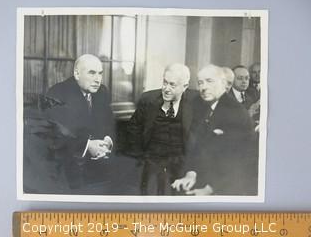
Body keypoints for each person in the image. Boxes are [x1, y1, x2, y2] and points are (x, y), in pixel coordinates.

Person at [171, 64, 257, 196]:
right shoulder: (199, 106)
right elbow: (195, 147)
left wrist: (209, 189)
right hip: (205, 177)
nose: (203, 87)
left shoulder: (236, 112)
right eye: (200, 83)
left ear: (223, 83)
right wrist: (190, 174)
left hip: (229, 185)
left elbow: (239, 160)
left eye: (209, 81)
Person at [44, 54, 115, 193]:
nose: (98, 79)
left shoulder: (102, 92)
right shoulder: (57, 93)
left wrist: (107, 140)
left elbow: (109, 122)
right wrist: (87, 146)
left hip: (97, 166)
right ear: (77, 74)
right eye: (92, 73)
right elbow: (55, 136)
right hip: (66, 168)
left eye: (100, 73)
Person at [126, 63, 197, 195]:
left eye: (172, 85)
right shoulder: (148, 99)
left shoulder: (196, 102)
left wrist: (191, 169)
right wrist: (140, 159)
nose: (166, 89)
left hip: (180, 166)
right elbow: (133, 129)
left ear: (185, 87)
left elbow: (200, 140)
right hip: (151, 163)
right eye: (165, 83)